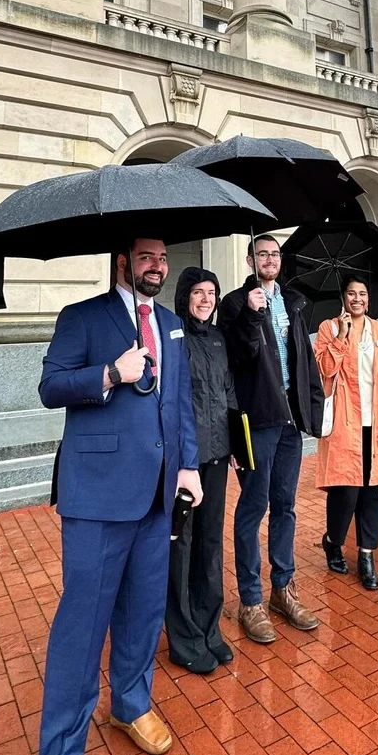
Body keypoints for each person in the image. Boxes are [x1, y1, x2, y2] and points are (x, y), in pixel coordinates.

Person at [35, 237, 201, 755]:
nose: (158, 266)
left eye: (163, 257)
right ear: (122, 262)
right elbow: (51, 387)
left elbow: (179, 402)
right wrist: (110, 372)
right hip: (98, 495)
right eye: (146, 257)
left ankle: (130, 704)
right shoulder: (82, 317)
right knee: (84, 623)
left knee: (144, 609)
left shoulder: (172, 326)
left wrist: (187, 464)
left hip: (157, 493)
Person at [218, 233, 325, 643]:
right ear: (250, 260)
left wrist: (313, 410)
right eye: (261, 254)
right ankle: (251, 599)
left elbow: (304, 360)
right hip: (257, 420)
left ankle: (283, 588)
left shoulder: (292, 302)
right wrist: (250, 314)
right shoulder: (234, 303)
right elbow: (234, 358)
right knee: (253, 506)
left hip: (289, 421)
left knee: (285, 505)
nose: (269, 259)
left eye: (274, 254)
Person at [165, 267, 238, 674]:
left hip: (217, 454)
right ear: (184, 297)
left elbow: (228, 392)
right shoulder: (173, 337)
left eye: (212, 293)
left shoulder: (217, 338)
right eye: (198, 292)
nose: (206, 300)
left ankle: (209, 629)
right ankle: (184, 637)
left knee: (210, 542)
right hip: (184, 461)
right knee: (182, 546)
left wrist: (236, 443)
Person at [313, 274, 378, 591]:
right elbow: (324, 369)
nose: (357, 299)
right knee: (345, 491)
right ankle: (333, 541)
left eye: (362, 293)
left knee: (373, 493)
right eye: (351, 293)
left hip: (377, 426)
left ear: (368, 299)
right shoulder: (328, 328)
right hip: (343, 424)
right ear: (343, 298)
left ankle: (366, 556)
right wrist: (341, 336)